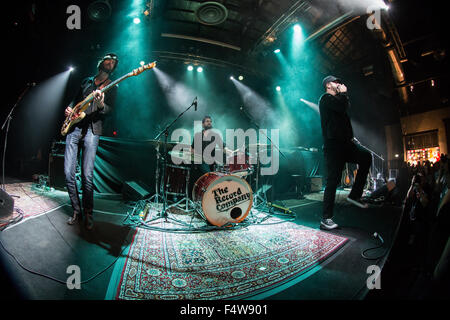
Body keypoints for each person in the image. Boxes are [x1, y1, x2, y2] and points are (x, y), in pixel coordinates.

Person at [64, 53, 118, 229]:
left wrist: (101, 105)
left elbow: (110, 110)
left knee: (87, 175)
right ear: (101, 62)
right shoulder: (86, 81)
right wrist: (70, 108)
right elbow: (76, 99)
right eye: (108, 61)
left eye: (113, 63)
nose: (110, 64)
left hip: (93, 131)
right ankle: (76, 211)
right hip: (74, 128)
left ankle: (88, 213)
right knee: (67, 173)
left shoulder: (112, 86)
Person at [318, 75, 372, 230]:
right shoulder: (325, 99)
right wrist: (344, 94)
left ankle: (355, 195)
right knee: (332, 181)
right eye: (336, 82)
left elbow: (342, 118)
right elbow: (342, 106)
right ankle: (326, 219)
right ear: (328, 85)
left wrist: (350, 137)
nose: (339, 84)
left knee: (366, 156)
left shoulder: (338, 101)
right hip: (333, 147)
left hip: (345, 144)